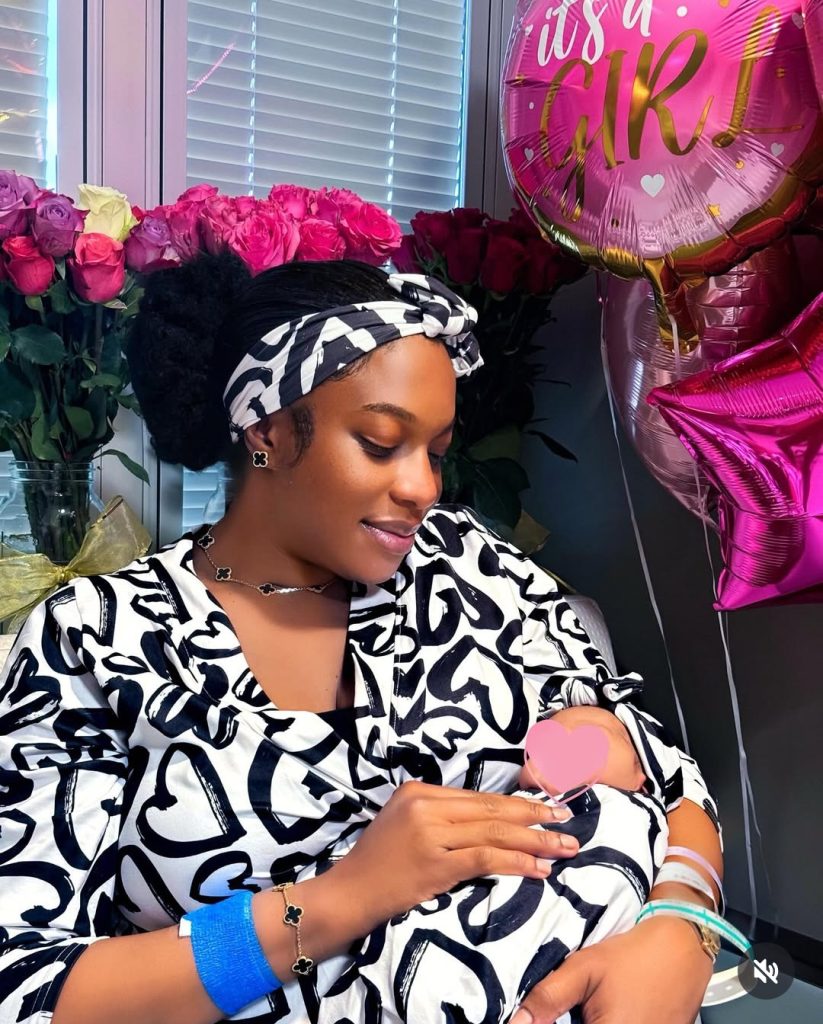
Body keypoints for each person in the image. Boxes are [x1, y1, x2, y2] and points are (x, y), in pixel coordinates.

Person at [0, 254, 724, 1024]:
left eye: (435, 453)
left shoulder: (471, 571)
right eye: (380, 442)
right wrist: (339, 900)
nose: (422, 488)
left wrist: (681, 927)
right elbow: (26, 985)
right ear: (267, 430)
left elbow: (664, 776)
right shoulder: (98, 638)